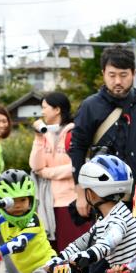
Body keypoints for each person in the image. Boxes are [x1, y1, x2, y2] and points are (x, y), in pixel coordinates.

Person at [68, 46, 136, 224]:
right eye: (112, 75)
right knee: (110, 247)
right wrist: (81, 193)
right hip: (104, 198)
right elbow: (77, 149)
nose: (117, 81)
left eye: (123, 75)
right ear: (103, 73)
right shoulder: (89, 106)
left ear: (134, 73)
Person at [46, 155, 136, 273]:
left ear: (92, 194)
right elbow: (84, 241)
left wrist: (90, 255)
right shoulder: (105, 218)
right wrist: (61, 257)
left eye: (85, 190)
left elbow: (111, 239)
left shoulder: (118, 217)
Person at [29, 91, 90, 251]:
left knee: (76, 253)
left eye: (45, 107)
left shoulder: (73, 133)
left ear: (57, 110)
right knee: (57, 257)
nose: (42, 112)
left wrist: (47, 173)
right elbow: (36, 166)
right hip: (49, 204)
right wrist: (38, 138)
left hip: (71, 201)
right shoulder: (44, 134)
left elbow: (77, 166)